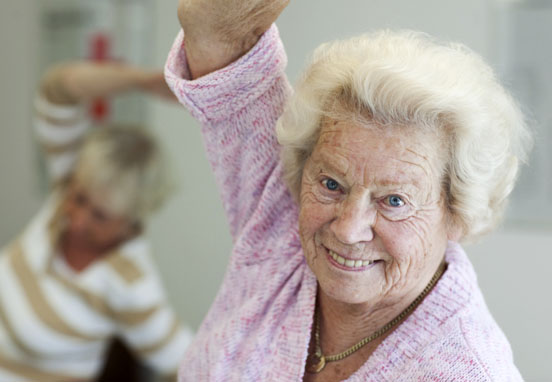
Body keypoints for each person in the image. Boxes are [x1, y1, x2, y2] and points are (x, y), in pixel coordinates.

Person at [165, 1, 531, 381]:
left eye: (394, 201)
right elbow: (225, 49)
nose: (346, 229)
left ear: (457, 212)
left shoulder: (467, 373)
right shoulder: (281, 225)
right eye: (331, 184)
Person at [0, 61, 193, 381]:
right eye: (79, 198)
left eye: (100, 216)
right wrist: (141, 81)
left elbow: (191, 366)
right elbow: (57, 92)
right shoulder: (67, 183)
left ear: (131, 221)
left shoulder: (132, 282)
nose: (76, 220)